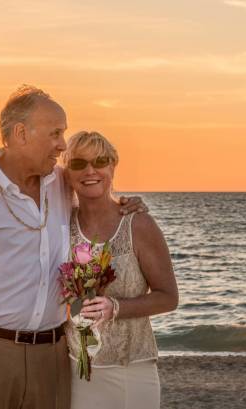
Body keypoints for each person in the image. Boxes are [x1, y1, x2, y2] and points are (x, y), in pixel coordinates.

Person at [0, 85, 148, 409]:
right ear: (21, 134)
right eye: (55, 133)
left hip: (52, 354)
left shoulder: (62, 184)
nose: (62, 144)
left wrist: (126, 204)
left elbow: (96, 194)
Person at [62, 131, 178, 409]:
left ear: (113, 166)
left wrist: (115, 307)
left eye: (100, 161)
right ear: (67, 173)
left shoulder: (138, 225)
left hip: (131, 369)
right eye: (79, 164)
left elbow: (168, 297)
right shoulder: (60, 225)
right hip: (75, 370)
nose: (90, 170)